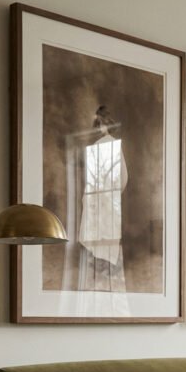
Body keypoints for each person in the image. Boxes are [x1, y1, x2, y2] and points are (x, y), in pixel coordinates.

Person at [79, 105, 127, 291]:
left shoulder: (102, 145)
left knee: (99, 237)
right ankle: (103, 277)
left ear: (105, 124)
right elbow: (123, 177)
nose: (99, 127)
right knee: (105, 236)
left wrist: (101, 196)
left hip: (101, 201)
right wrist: (113, 194)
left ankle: (100, 277)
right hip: (106, 201)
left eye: (100, 123)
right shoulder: (112, 145)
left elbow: (95, 179)